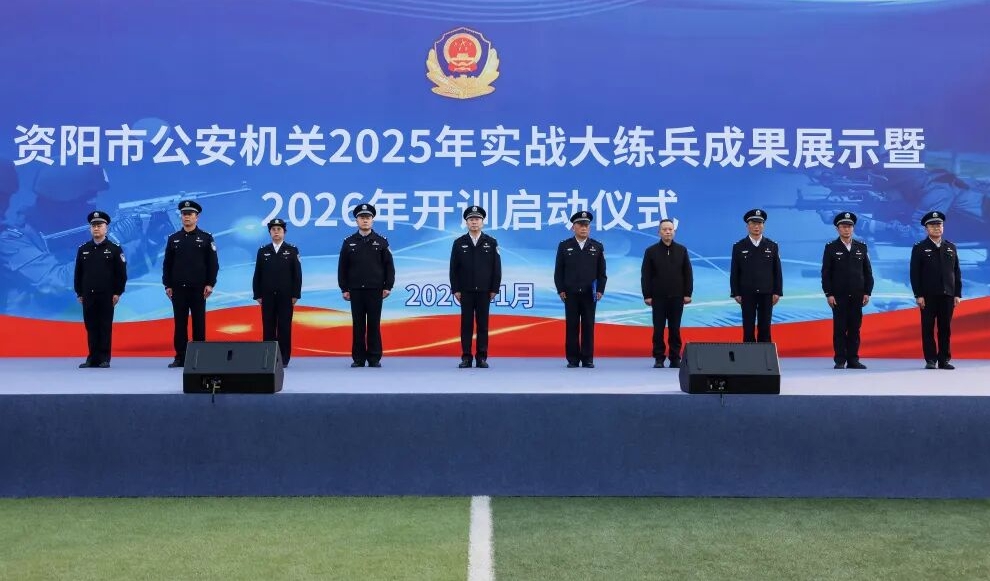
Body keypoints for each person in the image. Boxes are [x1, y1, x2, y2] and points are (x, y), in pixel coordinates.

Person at [162, 200, 219, 368]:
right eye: (184, 214)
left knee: (199, 323)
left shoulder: (206, 238)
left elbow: (213, 264)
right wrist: (167, 285)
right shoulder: (173, 239)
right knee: (180, 324)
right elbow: (167, 264)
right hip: (178, 289)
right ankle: (180, 357)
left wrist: (210, 283)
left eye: (190, 214)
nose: (186, 217)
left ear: (197, 217)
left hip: (199, 289)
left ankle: (199, 358)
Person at [338, 203, 395, 368]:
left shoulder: (381, 241)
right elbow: (342, 267)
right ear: (356, 221)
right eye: (362, 218)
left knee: (374, 324)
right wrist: (344, 288)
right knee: (358, 325)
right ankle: (358, 358)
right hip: (355, 290)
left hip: (375, 289)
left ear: (372, 220)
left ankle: (374, 357)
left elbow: (389, 266)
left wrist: (388, 286)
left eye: (368, 217)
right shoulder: (349, 242)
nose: (365, 220)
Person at [449, 205, 502, 368]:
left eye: (477, 219)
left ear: (482, 222)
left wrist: (494, 289)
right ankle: (466, 357)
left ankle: (481, 357)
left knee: (483, 325)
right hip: (465, 291)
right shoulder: (459, 243)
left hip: (485, 291)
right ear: (466, 223)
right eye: (471, 219)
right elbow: (453, 269)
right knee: (466, 325)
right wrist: (456, 289)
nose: (474, 222)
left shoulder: (491, 242)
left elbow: (496, 268)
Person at [73, 210, 127, 368]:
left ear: (106, 228)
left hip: (107, 295)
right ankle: (92, 358)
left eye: (99, 225)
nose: (96, 228)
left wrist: (117, 292)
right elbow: (78, 273)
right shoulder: (83, 249)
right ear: (90, 228)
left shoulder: (114, 249)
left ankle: (104, 358)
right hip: (88, 295)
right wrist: (79, 292)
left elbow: (121, 274)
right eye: (93, 226)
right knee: (91, 326)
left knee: (104, 326)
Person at [821, 211, 874, 369]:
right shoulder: (831, 247)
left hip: (857, 295)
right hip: (839, 296)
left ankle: (853, 359)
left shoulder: (861, 247)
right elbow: (826, 273)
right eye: (843, 226)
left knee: (854, 328)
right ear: (837, 229)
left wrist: (867, 292)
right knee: (840, 329)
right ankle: (840, 359)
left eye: (849, 226)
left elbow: (868, 272)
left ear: (853, 228)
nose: (847, 229)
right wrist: (829, 294)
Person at [909, 211, 962, 370]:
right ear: (926, 229)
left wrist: (957, 294)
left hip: (947, 295)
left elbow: (956, 272)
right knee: (928, 328)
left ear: (943, 227)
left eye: (939, 225)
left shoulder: (951, 247)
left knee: (945, 328)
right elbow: (915, 273)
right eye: (932, 225)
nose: (936, 228)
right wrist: (918, 295)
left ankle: (944, 360)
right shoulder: (919, 248)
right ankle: (931, 359)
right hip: (928, 297)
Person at [554, 210, 607, 368]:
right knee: (572, 326)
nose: (584, 228)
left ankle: (587, 358)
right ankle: (572, 359)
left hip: (590, 294)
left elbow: (602, 272)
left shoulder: (597, 246)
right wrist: (561, 289)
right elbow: (559, 271)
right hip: (570, 293)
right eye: (580, 225)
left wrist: (600, 290)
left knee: (588, 326)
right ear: (573, 227)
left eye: (586, 225)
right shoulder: (565, 246)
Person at [641, 218, 693, 368]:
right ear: (659, 232)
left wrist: (687, 293)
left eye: (670, 229)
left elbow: (688, 273)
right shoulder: (651, 251)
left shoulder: (682, 250)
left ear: (674, 232)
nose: (668, 232)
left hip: (677, 296)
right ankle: (659, 358)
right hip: (658, 297)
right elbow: (646, 275)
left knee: (675, 329)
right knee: (658, 329)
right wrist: (647, 295)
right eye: (664, 229)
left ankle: (675, 357)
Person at [252, 218, 302, 367]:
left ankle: (284, 358)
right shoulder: (263, 251)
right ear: (270, 232)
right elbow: (257, 274)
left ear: (284, 232)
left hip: (286, 296)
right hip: (267, 296)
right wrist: (257, 294)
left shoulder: (292, 250)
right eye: (273, 229)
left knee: (284, 327)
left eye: (279, 229)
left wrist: (295, 294)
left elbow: (297, 275)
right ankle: (268, 358)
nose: (276, 232)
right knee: (268, 327)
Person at [730, 209, 783, 343]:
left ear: (763, 226)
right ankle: (749, 354)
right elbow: (735, 271)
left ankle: (764, 355)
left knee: (765, 327)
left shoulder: (772, 245)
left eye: (759, 223)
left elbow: (777, 271)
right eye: (753, 223)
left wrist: (777, 292)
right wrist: (735, 292)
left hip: (767, 293)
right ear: (747, 226)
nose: (756, 226)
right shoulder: (739, 246)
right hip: (747, 293)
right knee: (748, 327)